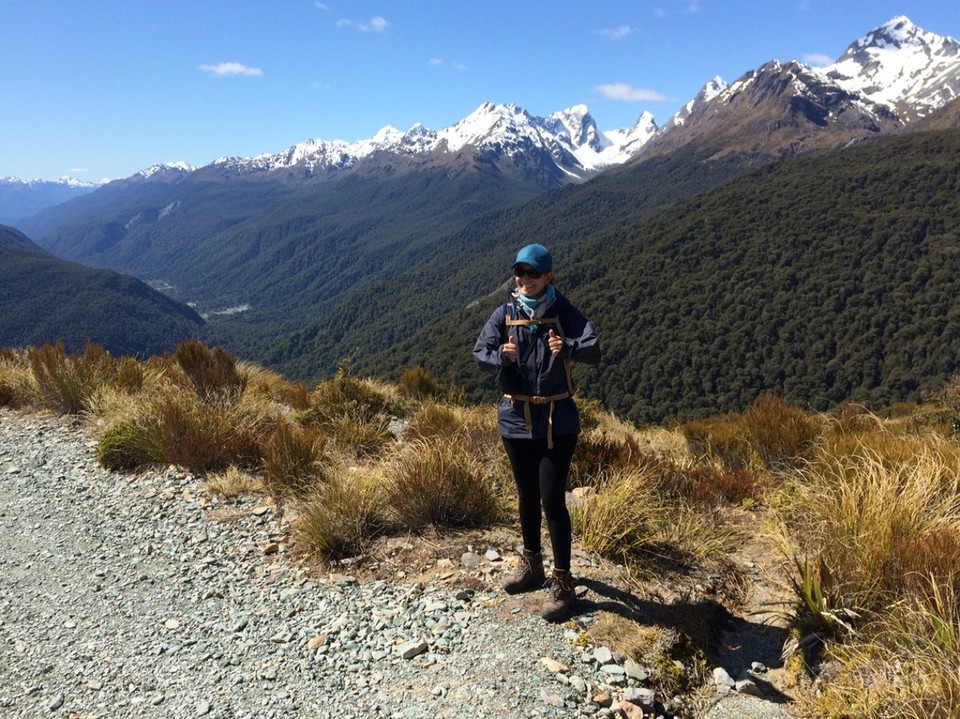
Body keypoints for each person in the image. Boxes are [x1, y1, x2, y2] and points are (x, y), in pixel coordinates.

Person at [472, 243, 601, 621]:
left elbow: (594, 350)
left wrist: (569, 348)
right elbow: (480, 353)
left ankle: (563, 583)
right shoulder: (506, 312)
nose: (524, 279)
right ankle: (533, 567)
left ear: (548, 276)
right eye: (519, 272)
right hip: (515, 417)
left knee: (552, 498)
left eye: (532, 273)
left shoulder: (563, 312)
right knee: (526, 494)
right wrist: (502, 356)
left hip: (556, 422)